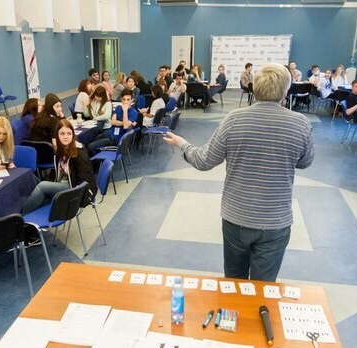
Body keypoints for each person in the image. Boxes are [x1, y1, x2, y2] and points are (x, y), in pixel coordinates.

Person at [162, 63, 314, 282]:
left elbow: (204, 160)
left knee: (234, 283)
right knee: (264, 287)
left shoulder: (234, 120)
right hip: (275, 221)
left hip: (237, 218)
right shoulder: (301, 124)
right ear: (286, 90)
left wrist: (183, 144)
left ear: (255, 87)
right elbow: (306, 161)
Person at [22, 120, 97, 214]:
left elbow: (86, 180)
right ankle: (33, 214)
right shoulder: (61, 151)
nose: (65, 136)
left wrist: (78, 197)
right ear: (57, 135)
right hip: (64, 182)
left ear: (73, 135)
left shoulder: (79, 153)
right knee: (33, 179)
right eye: (62, 134)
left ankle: (21, 216)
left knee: (42, 186)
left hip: (74, 187)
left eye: (69, 133)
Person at [87, 88, 138, 154]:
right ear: (121, 99)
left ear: (132, 100)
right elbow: (113, 122)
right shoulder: (118, 108)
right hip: (108, 133)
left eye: (128, 100)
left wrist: (125, 111)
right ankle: (97, 157)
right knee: (88, 142)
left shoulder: (134, 112)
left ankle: (99, 159)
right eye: (124, 99)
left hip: (115, 139)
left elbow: (125, 126)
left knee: (90, 146)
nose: (125, 102)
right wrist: (125, 122)